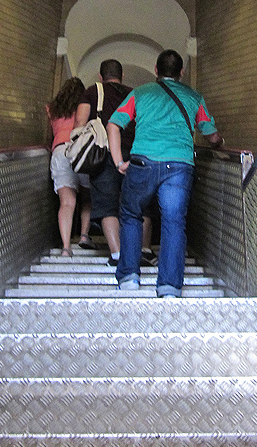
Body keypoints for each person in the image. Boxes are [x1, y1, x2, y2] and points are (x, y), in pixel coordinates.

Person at [107, 49, 223, 297]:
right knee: (174, 221)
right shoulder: (194, 97)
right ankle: (169, 286)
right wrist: (218, 142)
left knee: (130, 214)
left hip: (143, 162)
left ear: (156, 71)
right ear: (181, 72)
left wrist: (119, 161)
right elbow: (210, 133)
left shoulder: (140, 93)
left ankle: (129, 277)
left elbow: (114, 124)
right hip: (179, 166)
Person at [74, 59, 154, 268]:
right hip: (136, 152)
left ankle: (117, 254)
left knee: (106, 204)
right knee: (141, 203)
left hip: (105, 153)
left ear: (101, 76)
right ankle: (143, 250)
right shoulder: (136, 93)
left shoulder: (93, 91)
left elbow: (80, 122)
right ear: (123, 75)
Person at [46, 76, 92, 257]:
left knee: (66, 203)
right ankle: (84, 236)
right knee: (88, 197)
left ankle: (66, 247)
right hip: (80, 151)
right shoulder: (84, 107)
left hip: (59, 152)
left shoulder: (52, 109)